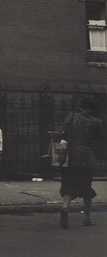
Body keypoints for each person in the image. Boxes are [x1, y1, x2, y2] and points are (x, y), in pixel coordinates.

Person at [57, 95, 103, 229]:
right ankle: (87, 218)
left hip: (69, 156)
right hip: (85, 157)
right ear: (92, 108)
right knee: (86, 187)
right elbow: (98, 140)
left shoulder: (72, 116)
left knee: (68, 185)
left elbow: (61, 131)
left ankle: (65, 208)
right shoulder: (96, 122)